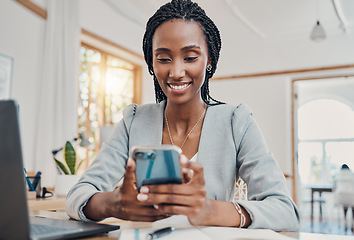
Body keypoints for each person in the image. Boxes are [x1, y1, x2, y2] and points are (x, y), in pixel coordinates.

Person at [66, 0, 299, 231]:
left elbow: (284, 210)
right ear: (151, 64)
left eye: (190, 57)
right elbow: (78, 195)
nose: (176, 72)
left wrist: (211, 210)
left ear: (210, 61)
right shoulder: (134, 120)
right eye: (164, 59)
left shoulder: (236, 121)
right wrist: (116, 204)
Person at [333, 164, 354, 232]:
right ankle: (352, 224)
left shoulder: (338, 175)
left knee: (344, 207)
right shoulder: (352, 174)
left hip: (341, 197)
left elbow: (334, 188)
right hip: (352, 196)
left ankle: (345, 223)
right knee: (352, 207)